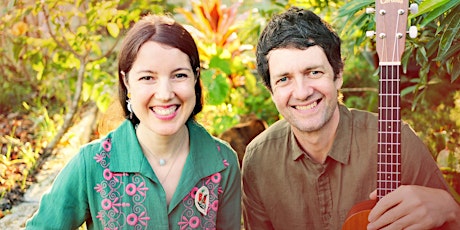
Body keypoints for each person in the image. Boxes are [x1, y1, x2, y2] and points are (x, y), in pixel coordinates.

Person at [242, 6, 460, 230]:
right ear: (271, 91)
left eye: (314, 72)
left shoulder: (398, 140)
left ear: (338, 76)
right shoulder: (259, 161)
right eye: (284, 79)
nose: (302, 92)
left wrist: (450, 210)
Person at [26, 14, 241, 230]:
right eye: (147, 78)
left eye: (179, 75)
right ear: (126, 82)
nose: (165, 94)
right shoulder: (91, 164)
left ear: (195, 78)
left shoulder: (223, 163)